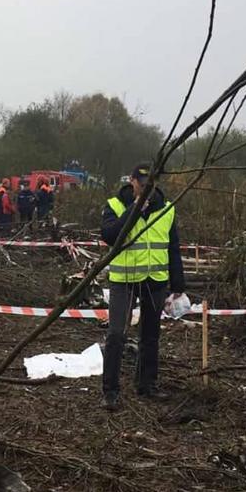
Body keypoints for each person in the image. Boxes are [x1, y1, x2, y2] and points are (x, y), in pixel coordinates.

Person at [99, 163, 185, 411]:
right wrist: (134, 210)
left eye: (151, 184)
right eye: (142, 183)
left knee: (150, 335)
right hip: (123, 281)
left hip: (154, 281)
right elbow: (110, 235)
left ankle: (147, 384)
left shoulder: (166, 209)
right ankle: (110, 391)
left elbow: (173, 247)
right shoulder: (115, 205)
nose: (146, 188)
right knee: (116, 335)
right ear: (132, 182)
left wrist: (178, 282)